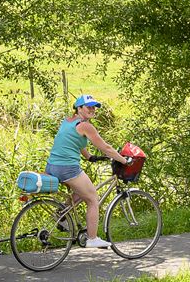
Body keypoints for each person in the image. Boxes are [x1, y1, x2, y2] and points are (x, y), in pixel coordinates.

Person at [46, 94, 131, 250]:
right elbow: (106, 148)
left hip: (52, 166)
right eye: (88, 107)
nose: (92, 110)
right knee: (92, 199)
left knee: (80, 192)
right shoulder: (86, 126)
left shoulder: (68, 121)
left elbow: (74, 141)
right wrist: (124, 161)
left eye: (94, 107)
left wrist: (89, 156)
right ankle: (92, 238)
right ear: (79, 108)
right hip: (67, 168)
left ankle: (62, 215)